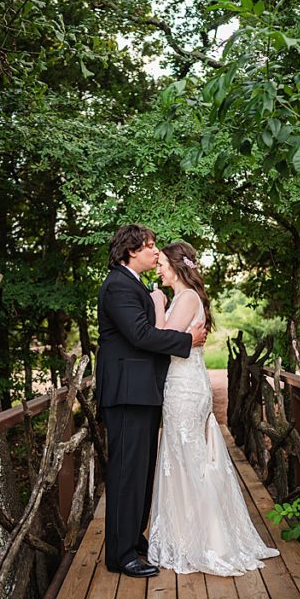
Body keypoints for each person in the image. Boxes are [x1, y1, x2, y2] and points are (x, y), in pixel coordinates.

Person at [147, 242, 279, 575]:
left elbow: (163, 338)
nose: (158, 269)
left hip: (185, 389)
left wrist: (156, 304)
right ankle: (187, 536)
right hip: (184, 385)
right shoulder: (185, 297)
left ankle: (211, 541)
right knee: (184, 458)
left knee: (189, 459)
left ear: (177, 266)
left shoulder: (186, 297)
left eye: (162, 263)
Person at [95, 224, 207, 578]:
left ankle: (133, 540)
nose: (156, 252)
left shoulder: (133, 285)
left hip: (142, 392)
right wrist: (188, 341)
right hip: (127, 393)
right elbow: (142, 335)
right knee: (127, 472)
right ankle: (120, 554)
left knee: (140, 472)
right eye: (150, 246)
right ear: (131, 251)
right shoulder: (117, 286)